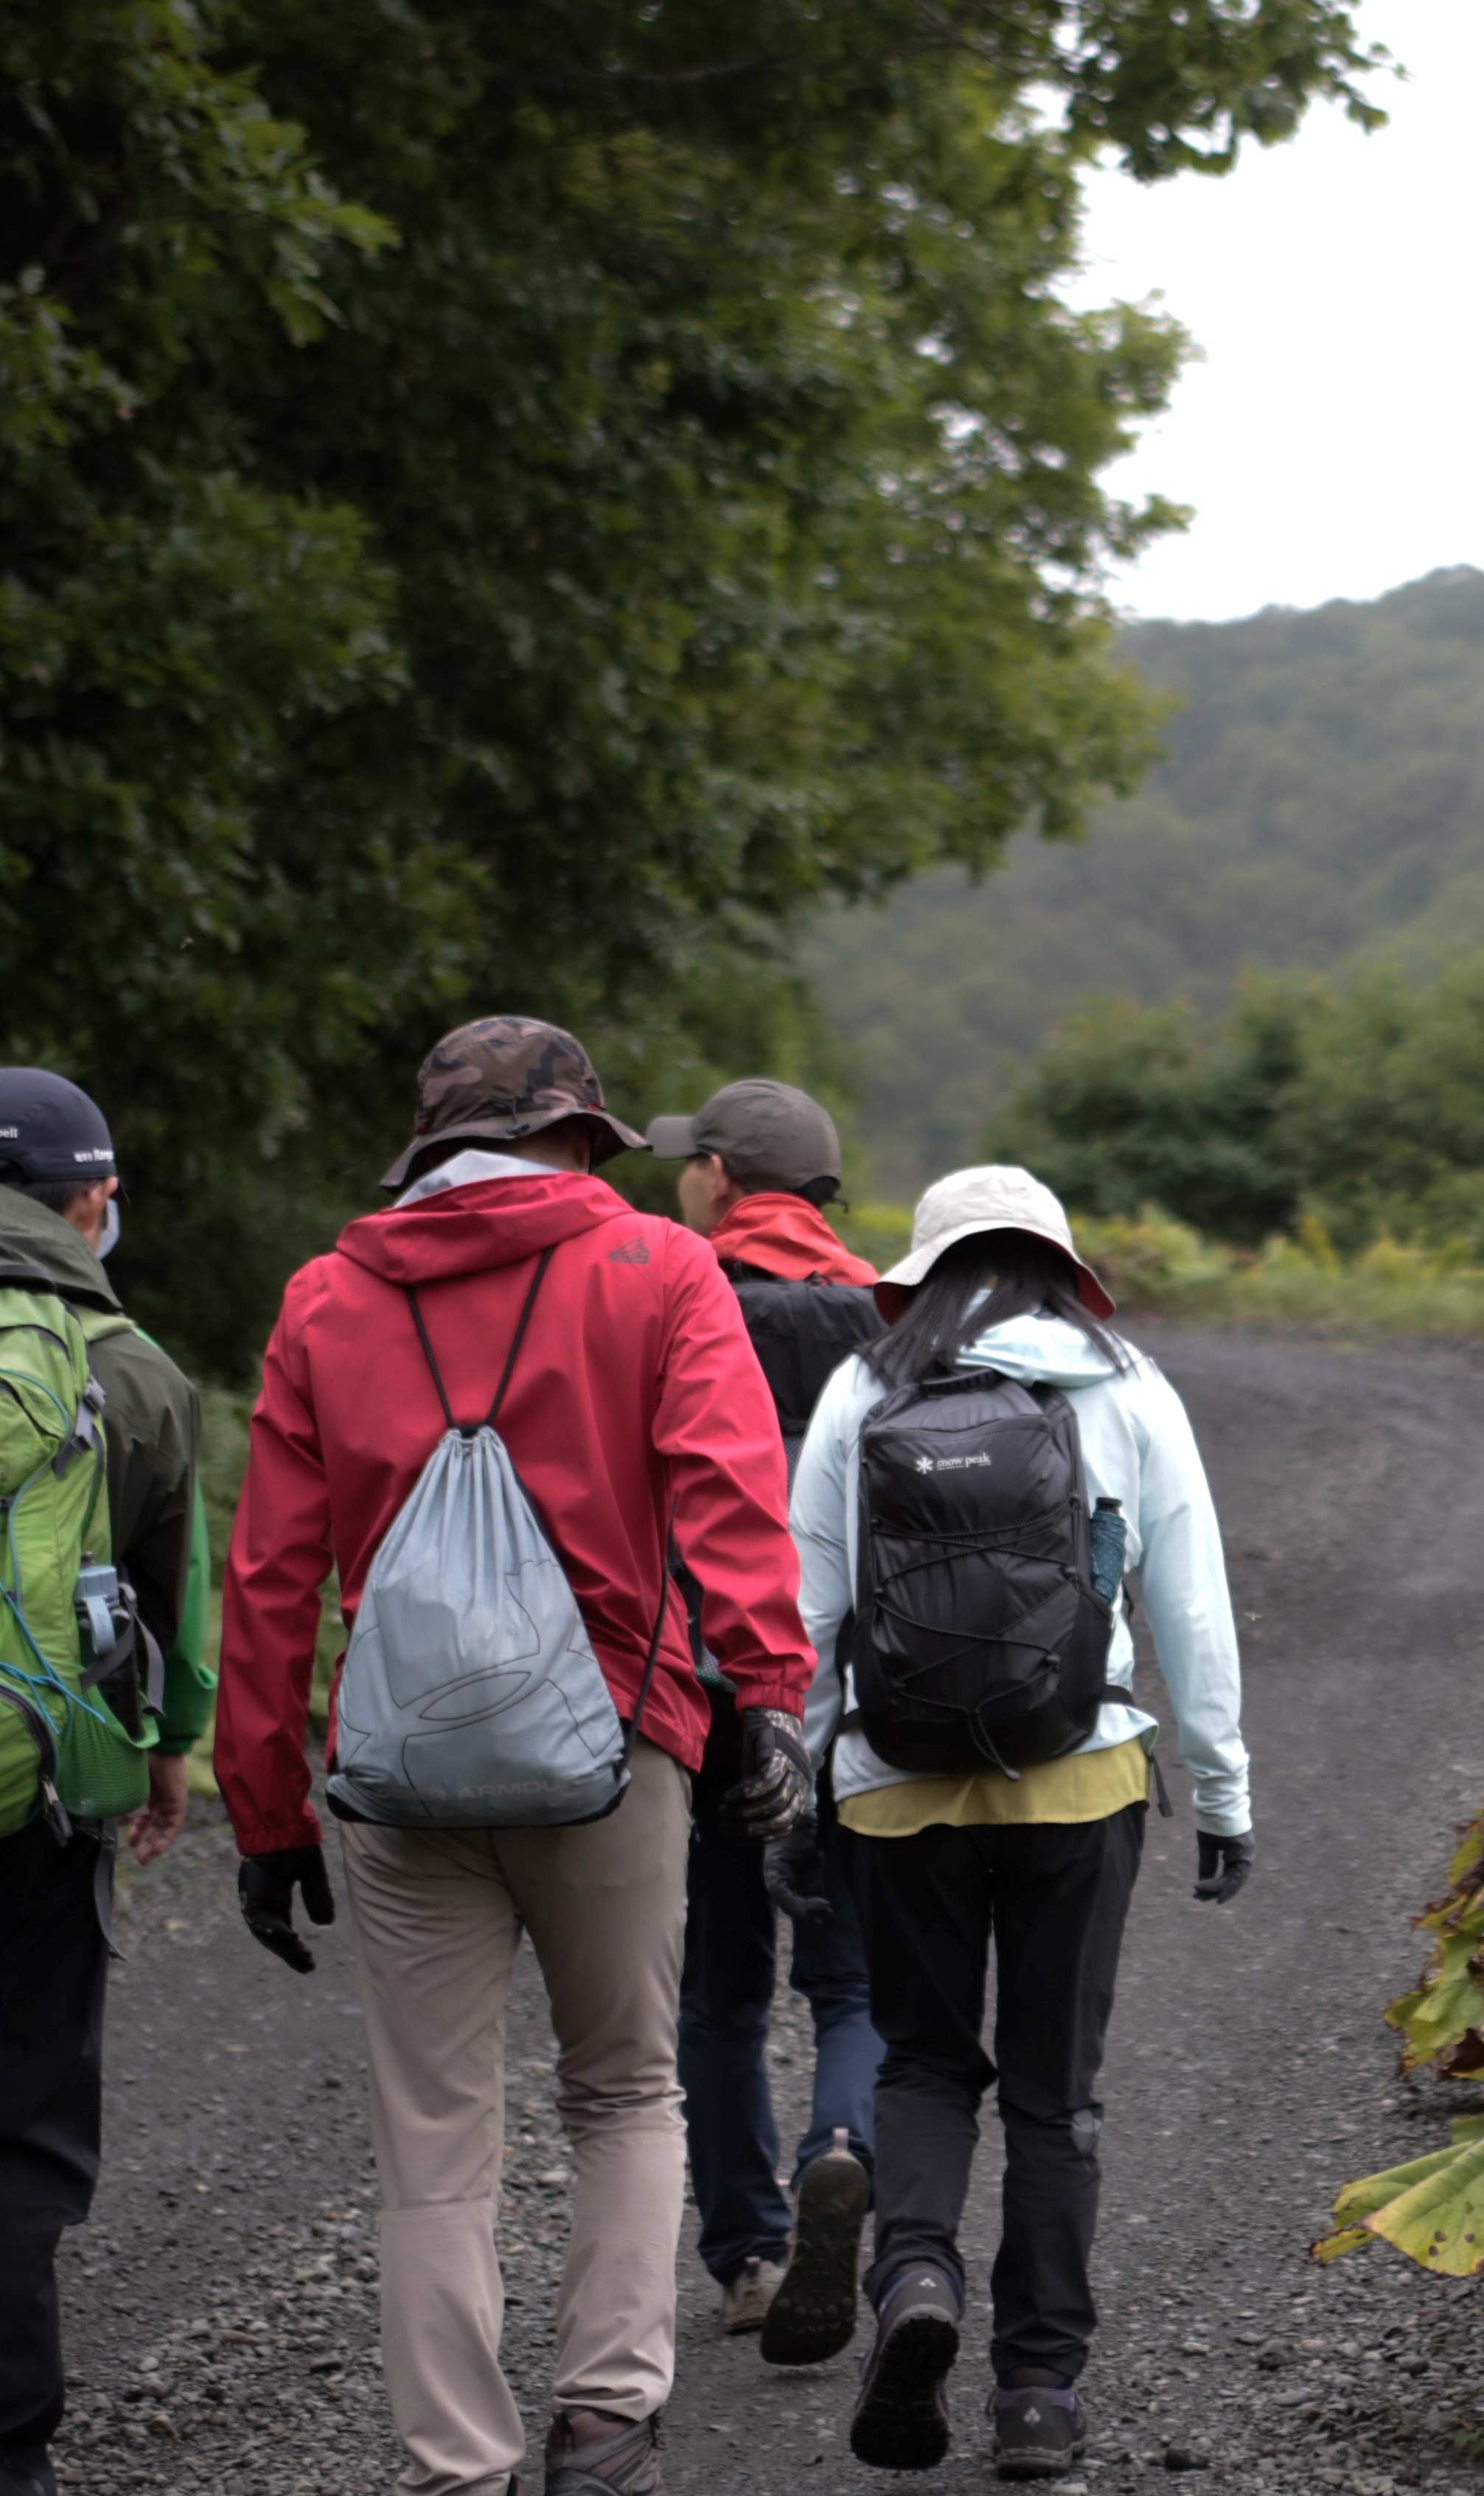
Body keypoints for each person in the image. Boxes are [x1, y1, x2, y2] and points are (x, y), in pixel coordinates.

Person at [216, 1019, 815, 2496]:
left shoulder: (327, 1298)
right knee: (622, 2088)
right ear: (577, 1136)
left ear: (432, 1145)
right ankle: (606, 2421)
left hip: (401, 1769)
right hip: (618, 1745)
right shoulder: (658, 1270)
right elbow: (731, 1496)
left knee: (432, 2133)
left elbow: (271, 1577)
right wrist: (774, 1695)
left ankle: (455, 2466)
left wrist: (268, 1810)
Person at [793, 1168, 1251, 2482]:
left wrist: (800, 1780)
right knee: (1057, 2099)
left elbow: (809, 1607)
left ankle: (918, 2282)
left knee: (926, 2063)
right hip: (1080, 1778)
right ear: (1062, 1266)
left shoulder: (865, 1388)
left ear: (924, 1272)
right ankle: (1039, 2394)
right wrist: (1222, 1794)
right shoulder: (1127, 1384)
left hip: (895, 1782)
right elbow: (1193, 1606)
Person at [644, 1080, 884, 2363]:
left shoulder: (673, 1300)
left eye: (694, 1165)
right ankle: (842, 2146)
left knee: (720, 1990)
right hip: (853, 1704)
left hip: (704, 1697)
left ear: (724, 1178)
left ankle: (746, 2254)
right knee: (849, 1978)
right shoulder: (895, 1315)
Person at [0, 1074, 207, 2496]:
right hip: (36, 1799)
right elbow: (166, 1599)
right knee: (20, 2113)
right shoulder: (127, 1371)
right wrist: (172, 1752)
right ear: (92, 1202)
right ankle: (12, 2447)